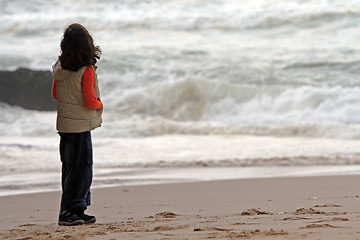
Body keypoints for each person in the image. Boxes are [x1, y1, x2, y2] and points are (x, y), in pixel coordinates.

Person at [51, 23, 103, 226]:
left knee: (70, 169)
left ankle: (71, 210)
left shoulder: (60, 69)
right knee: (83, 169)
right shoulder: (86, 71)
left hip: (64, 127)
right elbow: (90, 100)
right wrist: (100, 104)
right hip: (80, 127)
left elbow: (55, 94)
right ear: (87, 46)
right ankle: (72, 209)